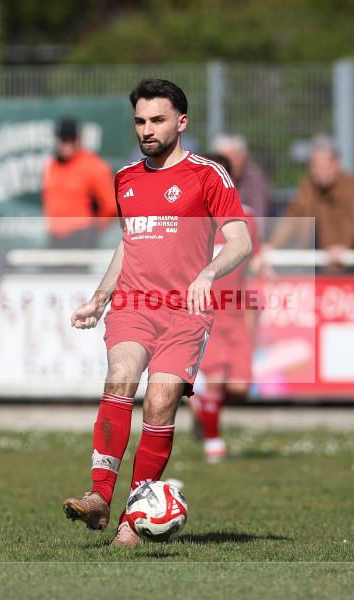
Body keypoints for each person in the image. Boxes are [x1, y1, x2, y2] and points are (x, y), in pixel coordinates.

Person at [62, 79, 252, 546]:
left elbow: (242, 240)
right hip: (133, 305)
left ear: (181, 122)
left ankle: (132, 519)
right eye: (140, 121)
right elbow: (129, 245)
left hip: (186, 313)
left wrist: (208, 274)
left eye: (157, 120)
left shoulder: (209, 175)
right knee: (121, 377)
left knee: (162, 400)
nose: (147, 130)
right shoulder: (125, 178)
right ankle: (99, 496)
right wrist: (101, 297)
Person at [190, 153, 262, 463]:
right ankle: (214, 445)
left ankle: (202, 408)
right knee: (216, 379)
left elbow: (253, 263)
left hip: (237, 311)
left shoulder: (245, 218)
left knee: (241, 387)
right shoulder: (192, 219)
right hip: (208, 314)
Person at [266, 136, 354, 266]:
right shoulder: (308, 185)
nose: (320, 171)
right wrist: (273, 246)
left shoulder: (348, 186)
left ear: (336, 164)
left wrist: (343, 246)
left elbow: (351, 220)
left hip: (344, 262)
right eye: (315, 165)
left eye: (324, 166)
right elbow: (293, 217)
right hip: (313, 260)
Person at [42, 118, 117, 248]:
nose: (66, 143)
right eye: (62, 139)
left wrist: (95, 229)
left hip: (81, 235)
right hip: (55, 236)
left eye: (70, 139)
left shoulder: (93, 165)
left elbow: (111, 205)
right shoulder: (53, 165)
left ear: (78, 139)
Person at [212, 134, 271, 233]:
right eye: (222, 159)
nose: (227, 163)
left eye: (232, 157)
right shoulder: (209, 175)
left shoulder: (255, 178)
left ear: (244, 157)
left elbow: (259, 220)